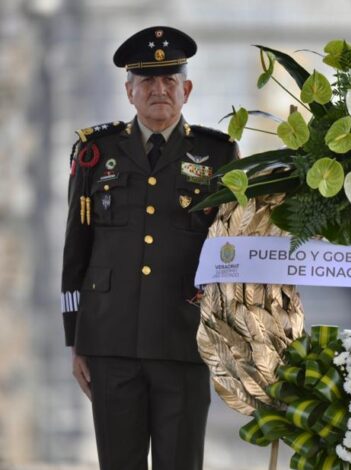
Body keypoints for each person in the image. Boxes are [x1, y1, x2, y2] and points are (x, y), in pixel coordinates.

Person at [60, 26, 238, 470]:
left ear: (187, 89)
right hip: (110, 341)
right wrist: (76, 339)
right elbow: (76, 249)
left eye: (169, 81)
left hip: (185, 338)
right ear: (129, 92)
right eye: (147, 83)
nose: (159, 91)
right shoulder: (94, 152)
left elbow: (233, 246)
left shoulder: (218, 155)